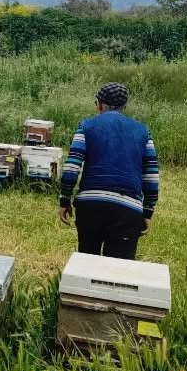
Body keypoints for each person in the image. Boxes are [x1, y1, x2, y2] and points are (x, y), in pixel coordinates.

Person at [59, 82, 160, 260]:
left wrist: (65, 199)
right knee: (118, 273)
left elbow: (71, 167)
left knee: (87, 265)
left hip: (90, 206)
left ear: (99, 104)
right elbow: (151, 177)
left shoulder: (86, 126)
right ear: (124, 107)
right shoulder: (144, 132)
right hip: (128, 209)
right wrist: (147, 211)